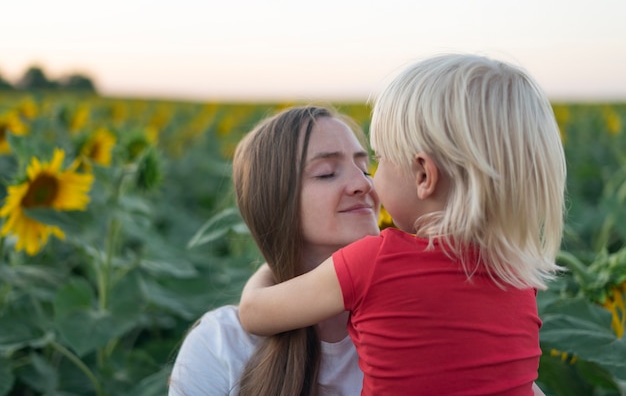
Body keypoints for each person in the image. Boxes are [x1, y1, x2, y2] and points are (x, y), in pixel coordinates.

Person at [238, 54, 566, 395]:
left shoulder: (374, 262)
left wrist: (270, 267)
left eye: (377, 160)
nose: (368, 182)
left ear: (423, 175)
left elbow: (253, 313)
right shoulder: (517, 276)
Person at [168, 106, 381, 395]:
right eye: (326, 173)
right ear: (276, 203)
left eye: (365, 167)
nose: (364, 183)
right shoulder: (222, 345)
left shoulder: (417, 322)